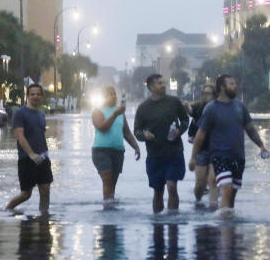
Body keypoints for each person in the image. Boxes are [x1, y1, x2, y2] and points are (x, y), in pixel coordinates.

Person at [188, 74, 269, 212]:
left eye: (235, 83)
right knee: (227, 188)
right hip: (220, 156)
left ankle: (229, 226)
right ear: (222, 87)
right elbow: (200, 135)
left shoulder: (239, 106)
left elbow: (250, 129)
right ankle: (223, 226)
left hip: (238, 157)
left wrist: (261, 146)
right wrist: (193, 157)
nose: (235, 86)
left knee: (231, 195)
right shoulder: (211, 108)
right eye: (231, 84)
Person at [134, 74, 189, 213]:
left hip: (174, 152)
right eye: (159, 83)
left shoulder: (174, 102)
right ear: (151, 87)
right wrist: (144, 135)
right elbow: (137, 131)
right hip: (155, 155)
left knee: (172, 186)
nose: (163, 85)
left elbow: (185, 120)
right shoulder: (143, 108)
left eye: (163, 82)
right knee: (158, 191)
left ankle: (172, 220)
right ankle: (157, 224)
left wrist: (179, 131)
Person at [5, 84, 52, 213]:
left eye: (38, 94)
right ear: (27, 96)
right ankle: (7, 210)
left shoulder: (41, 115)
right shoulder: (20, 113)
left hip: (43, 158)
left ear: (41, 96)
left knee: (45, 190)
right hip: (26, 159)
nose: (35, 97)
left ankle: (44, 216)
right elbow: (20, 136)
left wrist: (45, 154)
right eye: (32, 94)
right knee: (26, 194)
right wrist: (31, 154)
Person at [91, 86, 141, 206]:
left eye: (114, 94)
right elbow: (102, 127)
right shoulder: (98, 111)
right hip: (101, 151)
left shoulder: (120, 113)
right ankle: (107, 206)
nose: (113, 96)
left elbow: (127, 132)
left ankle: (111, 205)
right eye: (109, 94)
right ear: (103, 98)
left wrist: (136, 146)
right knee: (107, 178)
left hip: (118, 151)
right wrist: (114, 114)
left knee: (113, 182)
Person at [186, 83, 218, 207]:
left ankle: (213, 208)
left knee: (213, 181)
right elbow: (189, 110)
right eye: (204, 94)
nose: (206, 96)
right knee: (200, 184)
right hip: (201, 149)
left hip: (217, 149)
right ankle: (198, 202)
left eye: (209, 93)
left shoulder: (218, 107)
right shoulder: (198, 107)